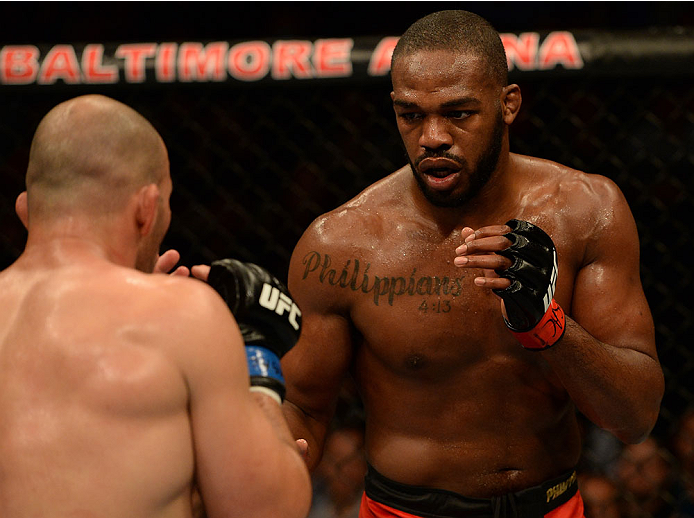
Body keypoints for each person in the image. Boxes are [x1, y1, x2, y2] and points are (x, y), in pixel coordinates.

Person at [281, 10, 663, 518]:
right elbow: (303, 410)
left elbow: (635, 416)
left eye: (459, 113)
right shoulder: (340, 245)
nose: (432, 137)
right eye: (411, 115)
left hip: (551, 506)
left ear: (509, 105)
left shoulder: (585, 211)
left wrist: (549, 327)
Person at [0, 94, 311, 518]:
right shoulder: (186, 314)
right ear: (147, 209)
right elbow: (266, 509)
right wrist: (257, 358)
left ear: (25, 210)